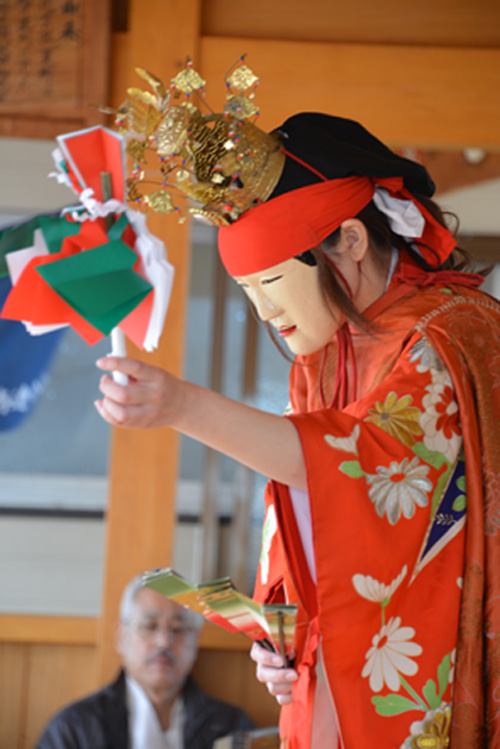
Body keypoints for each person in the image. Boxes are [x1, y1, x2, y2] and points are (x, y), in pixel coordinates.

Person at [94, 111, 500, 748]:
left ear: (351, 240)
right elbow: (301, 511)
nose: (264, 311)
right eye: (248, 289)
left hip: (430, 649)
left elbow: (366, 468)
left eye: (274, 281)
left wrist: (180, 406)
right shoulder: (322, 356)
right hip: (336, 670)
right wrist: (284, 635)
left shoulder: (447, 333)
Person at [37, 574, 255, 748]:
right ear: (121, 636)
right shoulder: (74, 727)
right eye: (149, 626)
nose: (164, 642)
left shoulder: (233, 727)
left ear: (196, 640)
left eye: (178, 629)